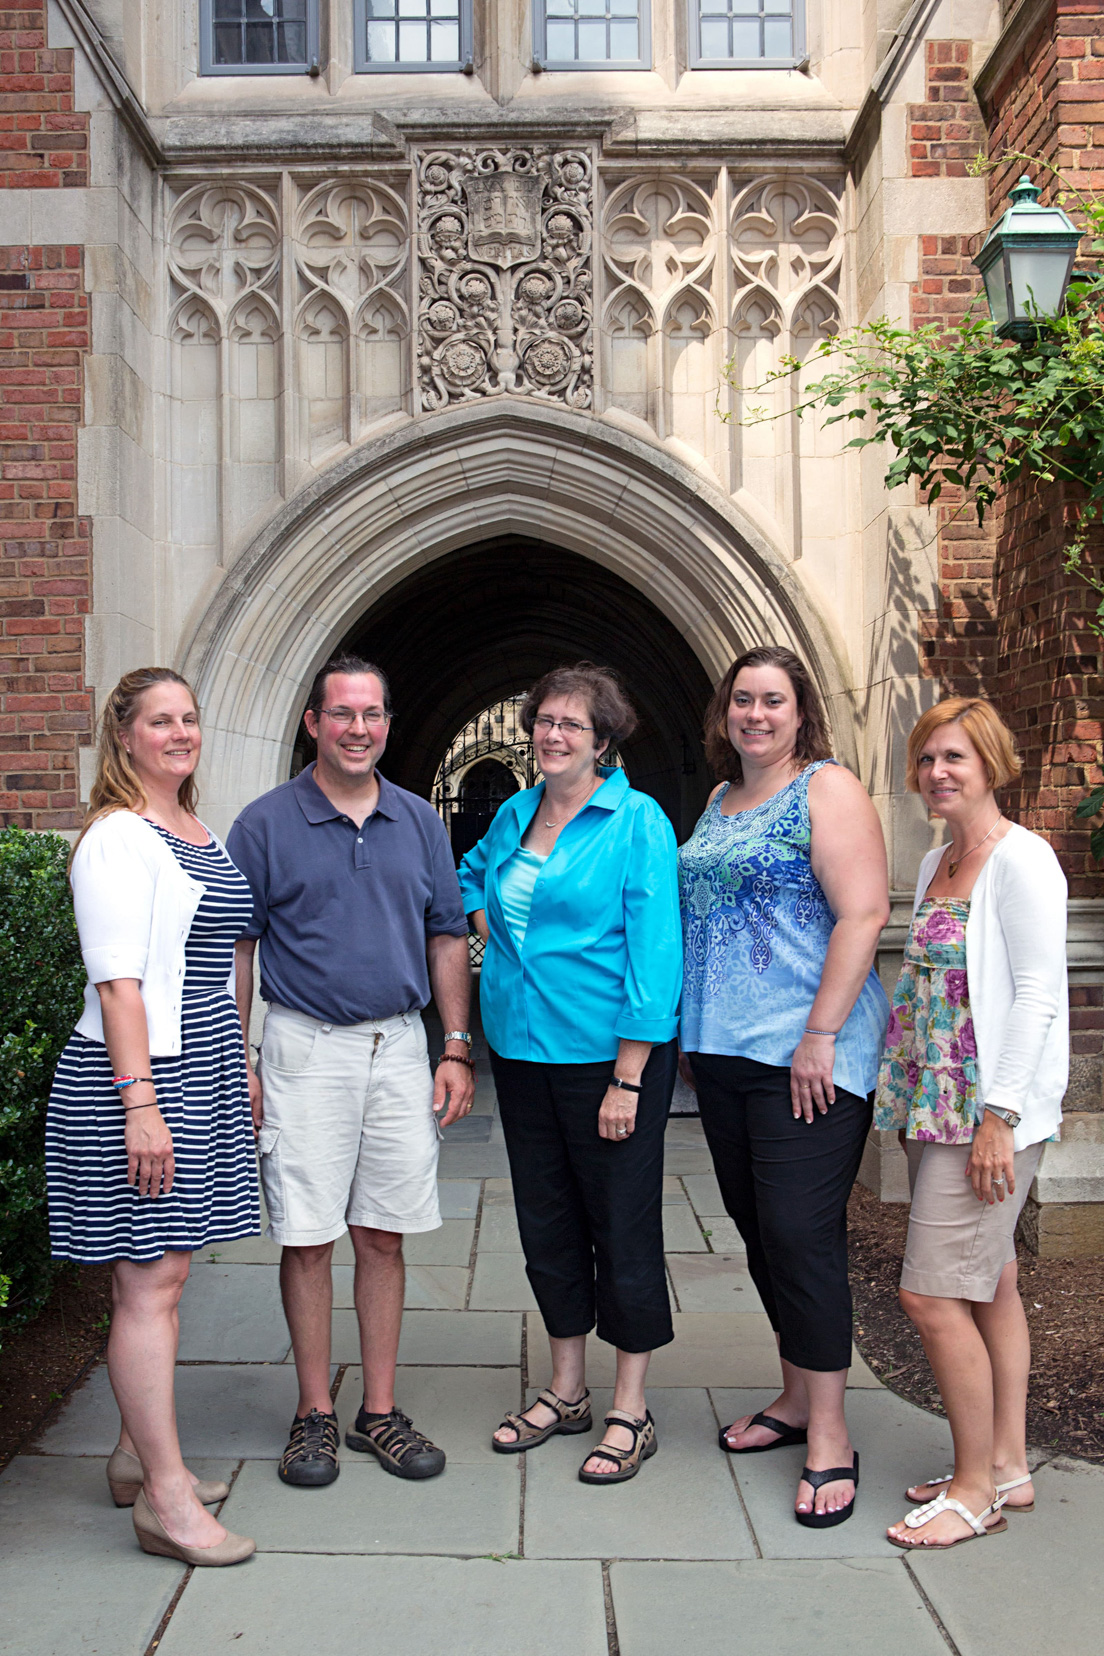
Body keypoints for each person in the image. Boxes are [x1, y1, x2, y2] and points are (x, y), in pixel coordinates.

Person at [227, 654, 474, 1490]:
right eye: (342, 714)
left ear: (386, 724)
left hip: (400, 1047)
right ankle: (312, 1415)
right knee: (306, 1235)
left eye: (371, 714)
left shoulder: (418, 822)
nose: (358, 729)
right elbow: (241, 946)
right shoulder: (264, 824)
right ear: (314, 724)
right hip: (304, 1049)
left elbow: (447, 934)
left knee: (383, 1231)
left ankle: (378, 1411)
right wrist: (243, 1054)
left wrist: (455, 1045)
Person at [45, 668, 258, 1567]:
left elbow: (225, 959)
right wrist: (142, 1106)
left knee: (167, 1278)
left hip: (202, 1067)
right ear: (123, 736)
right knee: (147, 1285)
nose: (180, 733)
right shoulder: (116, 840)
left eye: (190, 719)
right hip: (137, 1078)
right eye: (160, 721)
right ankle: (165, 1504)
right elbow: (120, 982)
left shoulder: (196, 831)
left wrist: (240, 1059)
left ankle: (138, 1456)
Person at [678, 645, 890, 1527]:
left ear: (801, 712)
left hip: (807, 1055)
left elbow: (866, 911)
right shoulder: (722, 802)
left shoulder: (826, 789)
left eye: (773, 700)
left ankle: (832, 1434)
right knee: (762, 1232)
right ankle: (797, 1395)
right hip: (725, 1053)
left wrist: (820, 1034)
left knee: (802, 1235)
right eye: (742, 700)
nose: (755, 714)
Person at [458, 663, 681, 1484]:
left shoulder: (636, 821)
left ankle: (630, 1406)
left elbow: (656, 953)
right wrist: (490, 925)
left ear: (604, 740)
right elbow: (465, 877)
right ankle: (566, 1388)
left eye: (571, 726)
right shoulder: (517, 809)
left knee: (620, 1224)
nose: (553, 736)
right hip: (520, 1052)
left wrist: (629, 1078)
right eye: (544, 721)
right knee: (547, 1221)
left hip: (607, 1063)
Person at [876, 697, 1068, 1550]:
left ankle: (972, 1491)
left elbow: (1037, 996)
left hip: (983, 1117)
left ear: (991, 763)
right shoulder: (937, 862)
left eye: (954, 757)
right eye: (926, 760)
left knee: (930, 1292)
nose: (938, 773)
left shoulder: (1022, 861)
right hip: (933, 1106)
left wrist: (1001, 1117)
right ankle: (1009, 1464)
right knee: (991, 1282)